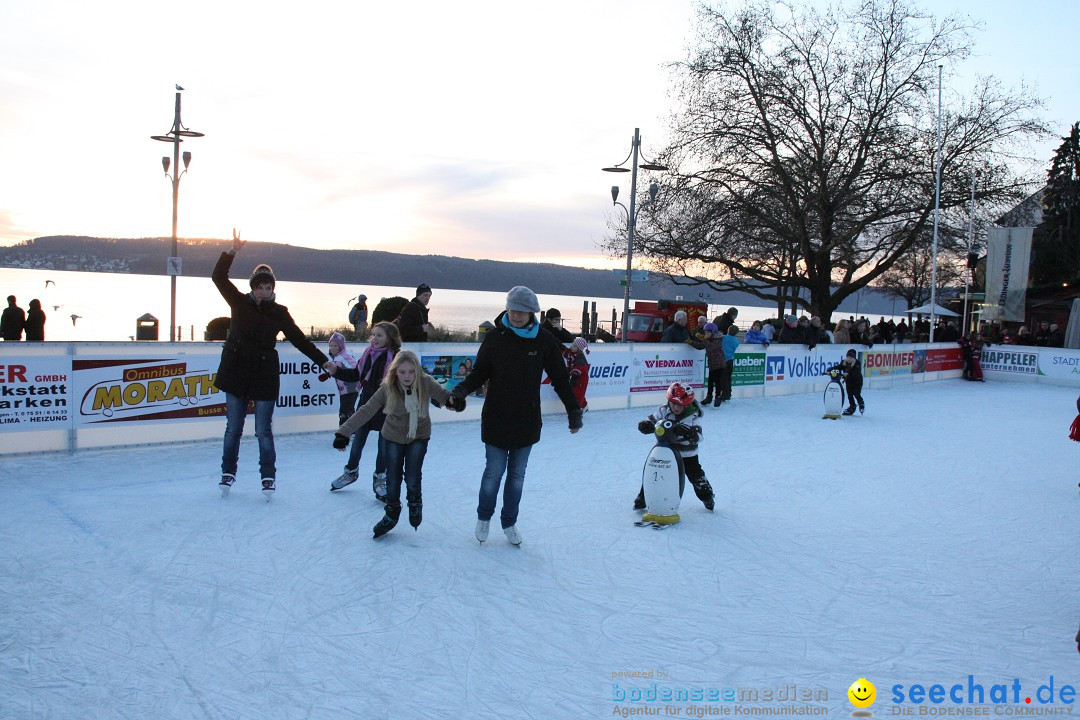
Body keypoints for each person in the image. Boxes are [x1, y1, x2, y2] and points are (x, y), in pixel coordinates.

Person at [446, 286, 583, 546]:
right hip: (497, 416)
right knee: (493, 472)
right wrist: (461, 390)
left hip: (527, 418)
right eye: (513, 310)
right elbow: (479, 372)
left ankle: (509, 522)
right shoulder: (496, 337)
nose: (517, 315)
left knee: (517, 476)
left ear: (532, 313)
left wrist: (573, 411)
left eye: (522, 311)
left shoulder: (544, 341)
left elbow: (561, 379)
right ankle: (484, 517)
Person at [213, 229, 335, 497]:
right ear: (253, 286)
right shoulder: (238, 303)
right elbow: (218, 277)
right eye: (260, 287)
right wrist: (232, 251)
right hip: (235, 372)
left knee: (263, 431)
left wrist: (324, 362)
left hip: (264, 375)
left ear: (273, 289)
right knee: (233, 428)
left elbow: (300, 341)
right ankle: (228, 472)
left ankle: (268, 476)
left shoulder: (279, 313)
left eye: (268, 288)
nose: (264, 292)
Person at [333, 350, 462, 538]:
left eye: (411, 371)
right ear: (395, 372)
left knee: (412, 476)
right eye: (402, 372)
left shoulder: (425, 382)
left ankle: (415, 503)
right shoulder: (388, 387)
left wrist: (454, 402)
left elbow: (444, 396)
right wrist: (344, 432)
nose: (407, 376)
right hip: (392, 436)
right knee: (392, 478)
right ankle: (392, 512)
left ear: (418, 371)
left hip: (419, 435)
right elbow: (367, 409)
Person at [328, 321, 400, 496]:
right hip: (366, 405)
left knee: (383, 447)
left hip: (386, 408)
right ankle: (351, 472)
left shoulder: (397, 357)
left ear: (390, 338)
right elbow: (355, 375)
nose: (374, 338)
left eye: (379, 335)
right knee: (357, 443)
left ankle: (380, 477)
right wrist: (335, 370)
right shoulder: (369, 354)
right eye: (373, 334)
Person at [633, 382, 714, 512]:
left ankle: (707, 496)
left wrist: (689, 433)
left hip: (687, 454)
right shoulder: (663, 410)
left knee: (695, 475)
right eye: (673, 403)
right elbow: (653, 420)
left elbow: (699, 436)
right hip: (665, 450)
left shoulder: (692, 416)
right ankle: (643, 498)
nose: (675, 407)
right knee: (653, 471)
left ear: (687, 404)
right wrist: (646, 425)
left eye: (679, 405)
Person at [689, 322, 724, 405]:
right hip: (712, 364)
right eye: (705, 333)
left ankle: (718, 397)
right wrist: (690, 342)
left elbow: (712, 347)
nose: (706, 334)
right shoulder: (707, 341)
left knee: (717, 382)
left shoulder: (717, 340)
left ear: (713, 332)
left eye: (708, 332)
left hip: (719, 365)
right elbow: (700, 346)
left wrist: (704, 339)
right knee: (710, 381)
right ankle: (709, 397)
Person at [826, 349, 864, 416]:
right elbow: (839, 367)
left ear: (854, 358)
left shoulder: (857, 363)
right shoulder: (844, 362)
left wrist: (848, 374)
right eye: (848, 357)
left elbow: (856, 373)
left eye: (851, 358)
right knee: (849, 394)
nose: (849, 359)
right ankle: (852, 406)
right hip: (848, 381)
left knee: (856, 393)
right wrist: (831, 369)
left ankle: (861, 403)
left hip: (857, 382)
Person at [563, 336, 591, 411]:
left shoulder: (580, 358)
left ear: (579, 349)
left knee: (578, 394)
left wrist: (573, 378)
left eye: (574, 346)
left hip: (581, 379)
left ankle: (576, 410)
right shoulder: (571, 353)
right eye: (572, 344)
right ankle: (585, 407)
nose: (572, 347)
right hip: (575, 377)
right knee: (575, 392)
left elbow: (579, 369)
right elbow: (565, 350)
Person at [718, 324, 740, 404]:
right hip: (730, 360)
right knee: (728, 378)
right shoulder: (736, 341)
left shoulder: (724, 338)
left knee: (723, 379)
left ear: (728, 330)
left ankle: (724, 394)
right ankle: (728, 394)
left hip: (723, 360)